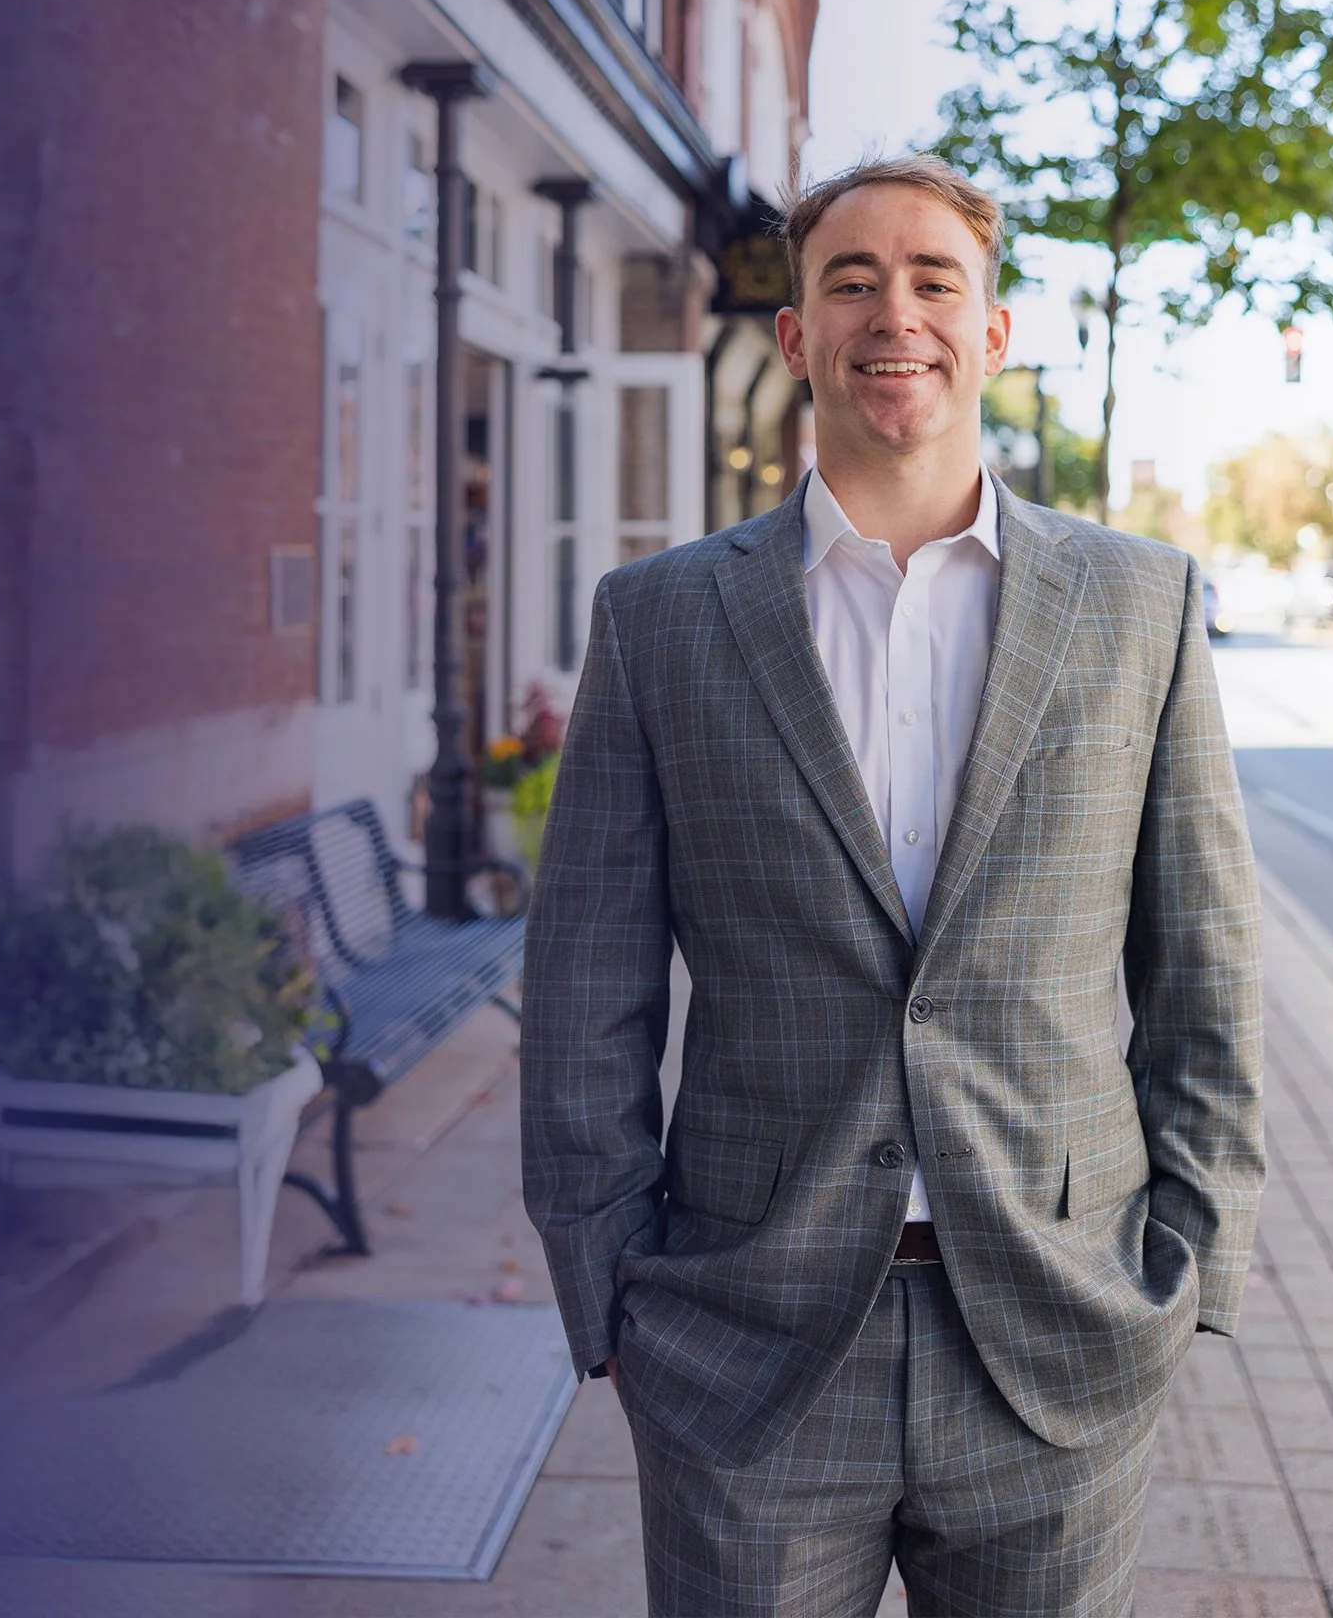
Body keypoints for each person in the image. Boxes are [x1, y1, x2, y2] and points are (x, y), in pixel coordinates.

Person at [519, 156, 1263, 1616]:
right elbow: (584, 986)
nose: (892, 312)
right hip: (750, 1343)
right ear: (795, 335)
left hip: (1060, 1334)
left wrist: (1190, 1266)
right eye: (848, 280)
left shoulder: (1141, 605)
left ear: (992, 333)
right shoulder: (662, 620)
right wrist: (609, 1283)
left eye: (934, 280)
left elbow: (1209, 970)